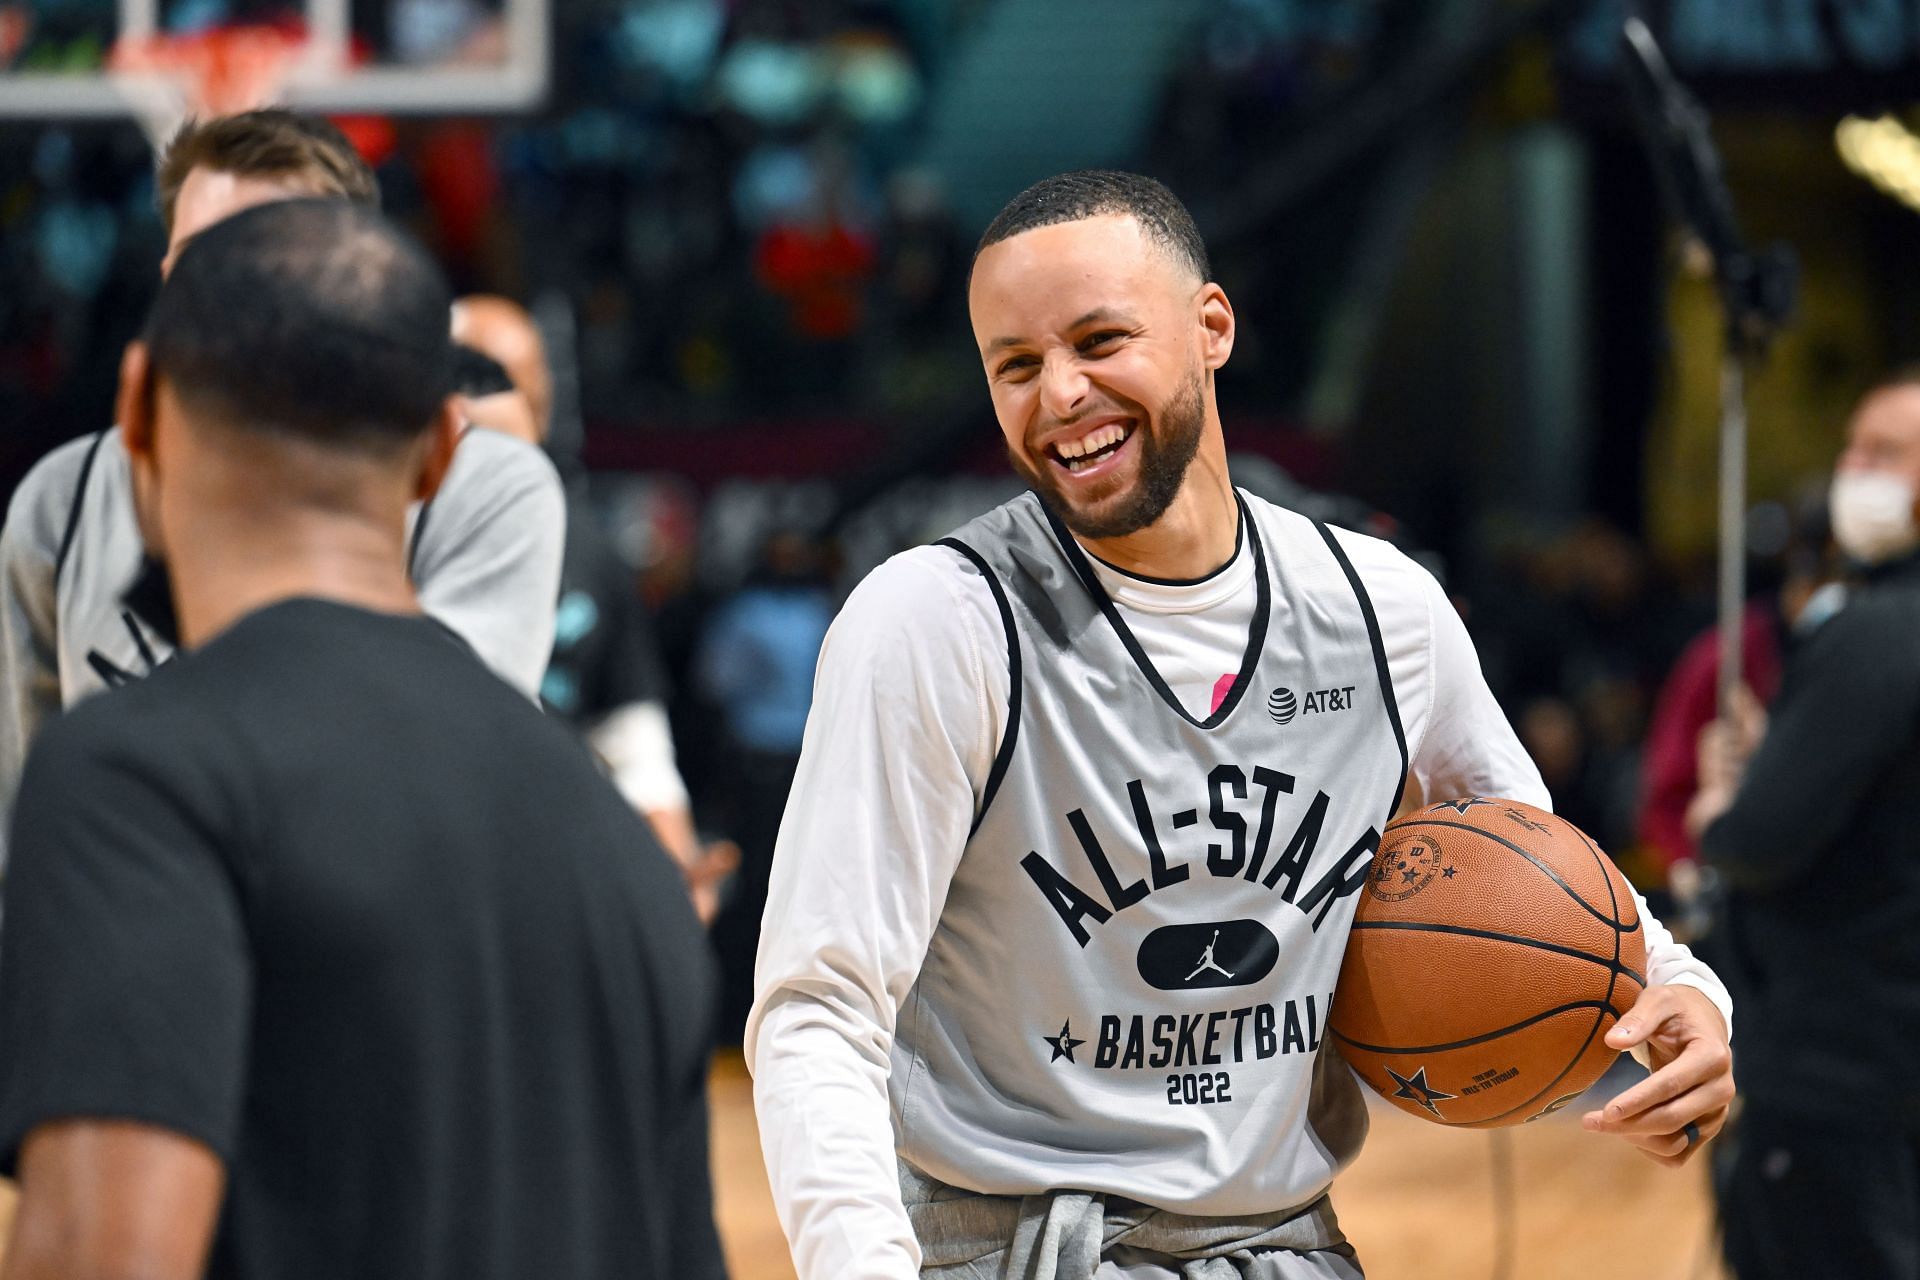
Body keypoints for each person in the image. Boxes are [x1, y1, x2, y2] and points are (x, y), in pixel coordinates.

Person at [748, 170, 1736, 1280]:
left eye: (1099, 339)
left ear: (1212, 326)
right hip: (1011, 1247)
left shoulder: (1380, 607)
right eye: (1015, 366)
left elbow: (1528, 861)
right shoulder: (939, 619)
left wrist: (1686, 987)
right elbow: (820, 1005)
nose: (1061, 392)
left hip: (1285, 1243)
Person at [0, 198, 725, 1280]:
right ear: (444, 452)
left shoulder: (140, 775)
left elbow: (109, 1253)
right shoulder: (628, 858)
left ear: (140, 407)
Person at [0, 109, 565, 871]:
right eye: (206, 256)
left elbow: (450, 775)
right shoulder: (59, 503)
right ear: (165, 277)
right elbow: (29, 838)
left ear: (354, 275)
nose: (238, 288)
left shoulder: (487, 483)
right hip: (140, 958)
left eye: (275, 252)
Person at [1696, 372, 1920, 1280]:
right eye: (1851, 449)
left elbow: (1760, 840)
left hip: (1845, 1074)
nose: (1851, 471)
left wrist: (1723, 813)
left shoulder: (1877, 628)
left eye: (1884, 453)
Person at [449, 291, 738, 922]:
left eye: (533, 380)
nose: (522, 397)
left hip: (546, 884)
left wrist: (675, 863)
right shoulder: (386, 538)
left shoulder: (585, 549)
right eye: (492, 377)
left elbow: (631, 739)